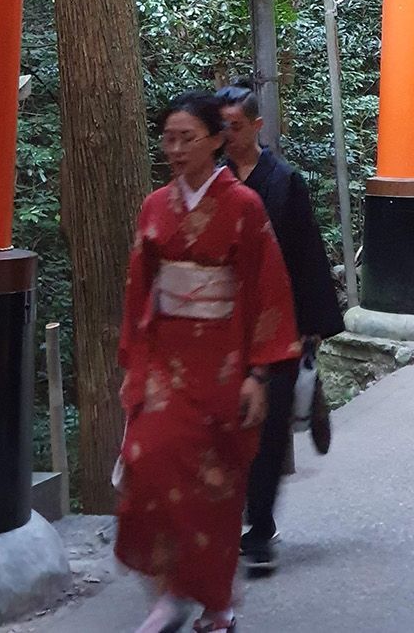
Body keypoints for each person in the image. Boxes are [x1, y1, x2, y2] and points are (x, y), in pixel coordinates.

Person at [115, 91, 300, 633]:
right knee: (146, 462)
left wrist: (258, 372)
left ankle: (217, 603)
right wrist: (135, 360)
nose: (174, 149)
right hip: (166, 356)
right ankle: (170, 593)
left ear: (217, 140)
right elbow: (138, 289)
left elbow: (267, 290)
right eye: (168, 138)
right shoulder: (154, 206)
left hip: (223, 358)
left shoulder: (244, 206)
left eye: (186, 138)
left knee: (214, 485)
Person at [217, 83, 344, 574]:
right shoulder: (216, 181)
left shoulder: (284, 181)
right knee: (230, 425)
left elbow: (307, 257)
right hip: (226, 322)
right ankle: (240, 516)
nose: (227, 135)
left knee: (268, 429)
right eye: (220, 126)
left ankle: (261, 526)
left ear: (256, 126)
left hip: (280, 319)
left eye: (234, 125)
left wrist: (310, 327)